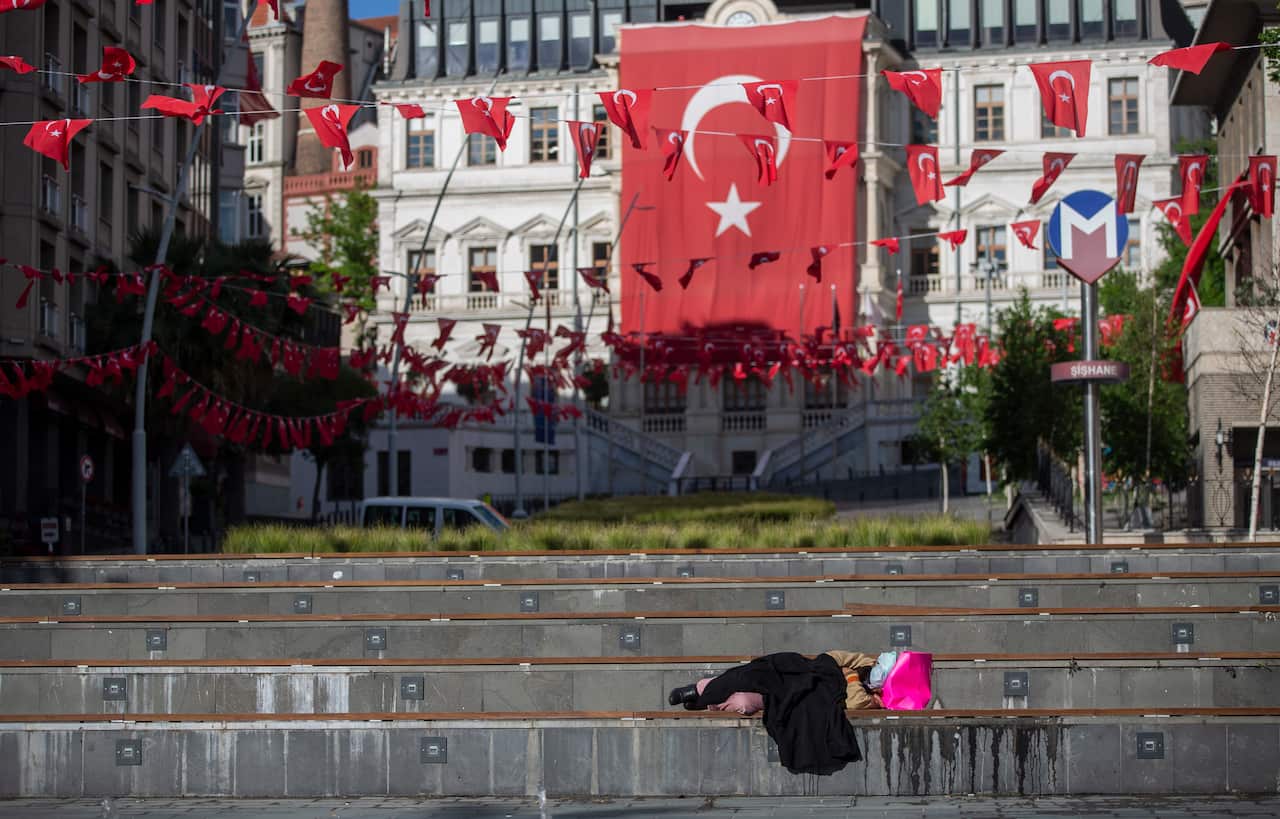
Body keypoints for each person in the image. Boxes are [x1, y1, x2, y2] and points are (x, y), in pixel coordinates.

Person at [665, 651, 892, 776]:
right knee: (755, 673)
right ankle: (698, 690)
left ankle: (706, 699)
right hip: (800, 670)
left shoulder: (867, 697)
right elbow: (833, 657)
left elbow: (856, 703)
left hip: (807, 694)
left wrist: (851, 678)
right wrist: (856, 672)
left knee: (752, 700)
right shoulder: (865, 666)